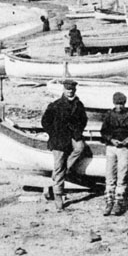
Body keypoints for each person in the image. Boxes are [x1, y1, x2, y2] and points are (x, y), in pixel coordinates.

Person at [40, 79, 88, 211]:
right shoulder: (55, 105)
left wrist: (77, 131)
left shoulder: (78, 105)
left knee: (80, 148)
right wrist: (53, 133)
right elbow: (45, 122)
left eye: (72, 89)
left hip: (73, 135)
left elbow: (83, 120)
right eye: (68, 89)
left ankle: (62, 172)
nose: (70, 91)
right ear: (64, 90)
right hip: (59, 138)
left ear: (75, 90)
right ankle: (58, 195)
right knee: (59, 164)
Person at [100, 92, 128, 217]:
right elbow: (103, 131)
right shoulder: (109, 115)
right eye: (117, 104)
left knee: (122, 174)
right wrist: (111, 140)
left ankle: (119, 202)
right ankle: (109, 202)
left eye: (121, 104)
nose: (119, 107)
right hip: (111, 147)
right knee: (109, 174)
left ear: (125, 103)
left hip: (125, 148)